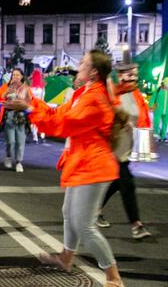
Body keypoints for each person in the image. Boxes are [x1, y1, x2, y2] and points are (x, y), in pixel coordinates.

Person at [14, 50, 124, 287]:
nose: (78, 66)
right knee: (68, 213)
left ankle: (113, 277)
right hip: (84, 163)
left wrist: (29, 109)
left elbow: (63, 125)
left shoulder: (94, 98)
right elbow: (57, 113)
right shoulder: (85, 93)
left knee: (84, 225)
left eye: (83, 63)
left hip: (94, 167)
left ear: (93, 72)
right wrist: (31, 102)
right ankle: (66, 258)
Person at [96, 61, 152, 239]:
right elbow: (106, 112)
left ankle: (95, 210)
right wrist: (120, 119)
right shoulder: (112, 91)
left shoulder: (136, 94)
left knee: (115, 183)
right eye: (129, 74)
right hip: (111, 147)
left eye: (134, 74)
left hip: (126, 148)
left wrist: (143, 147)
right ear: (120, 75)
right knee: (127, 183)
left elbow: (142, 119)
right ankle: (136, 225)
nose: (133, 77)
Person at [0, 68, 31, 172]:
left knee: (20, 141)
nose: (15, 77)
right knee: (10, 141)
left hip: (21, 116)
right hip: (9, 115)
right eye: (13, 75)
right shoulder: (7, 86)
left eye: (17, 75)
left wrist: (25, 106)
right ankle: (8, 156)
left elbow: (30, 102)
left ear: (21, 76)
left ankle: (19, 162)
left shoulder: (25, 88)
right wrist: (7, 91)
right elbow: (0, 97)